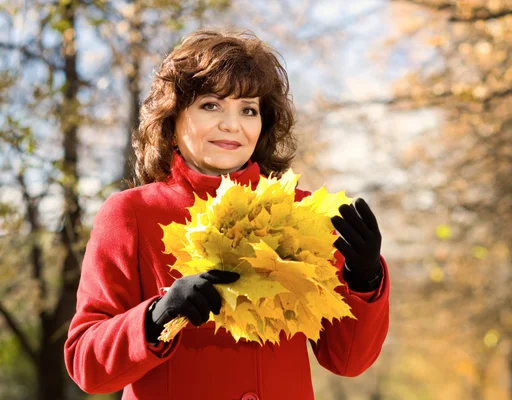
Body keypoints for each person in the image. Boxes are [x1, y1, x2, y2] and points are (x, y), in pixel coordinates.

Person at [64, 29, 390, 400]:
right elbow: (86, 367)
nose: (232, 124)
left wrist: (364, 279)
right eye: (211, 105)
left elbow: (348, 361)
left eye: (248, 109)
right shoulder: (131, 213)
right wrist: (156, 317)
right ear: (172, 119)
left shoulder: (303, 212)